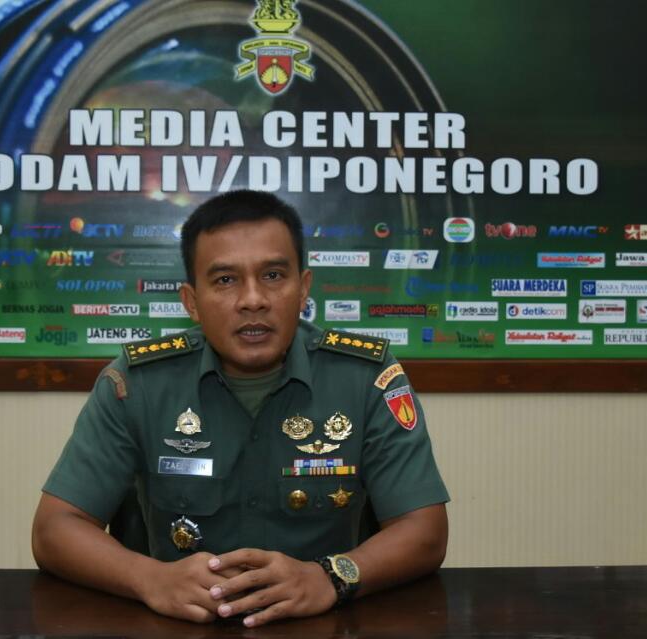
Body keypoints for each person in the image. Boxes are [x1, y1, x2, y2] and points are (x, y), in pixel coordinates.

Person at [32, 190, 449, 628]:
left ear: (303, 289)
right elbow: (55, 529)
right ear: (191, 302)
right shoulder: (137, 383)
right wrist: (150, 578)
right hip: (182, 626)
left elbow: (424, 530)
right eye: (226, 280)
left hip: (322, 623)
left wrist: (330, 576)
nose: (253, 299)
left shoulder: (365, 377)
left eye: (273, 275)